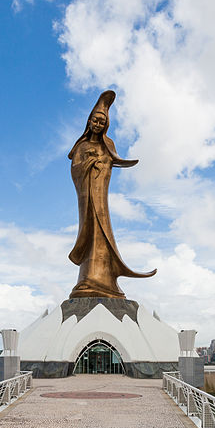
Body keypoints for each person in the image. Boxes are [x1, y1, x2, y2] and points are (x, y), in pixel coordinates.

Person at [67, 90, 156, 298]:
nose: (98, 125)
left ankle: (104, 279)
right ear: (89, 122)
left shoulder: (109, 145)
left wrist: (101, 163)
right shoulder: (82, 146)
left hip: (100, 197)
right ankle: (88, 278)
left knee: (103, 232)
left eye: (102, 122)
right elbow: (76, 170)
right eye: (95, 121)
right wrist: (89, 163)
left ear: (105, 125)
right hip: (88, 197)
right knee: (91, 232)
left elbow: (111, 162)